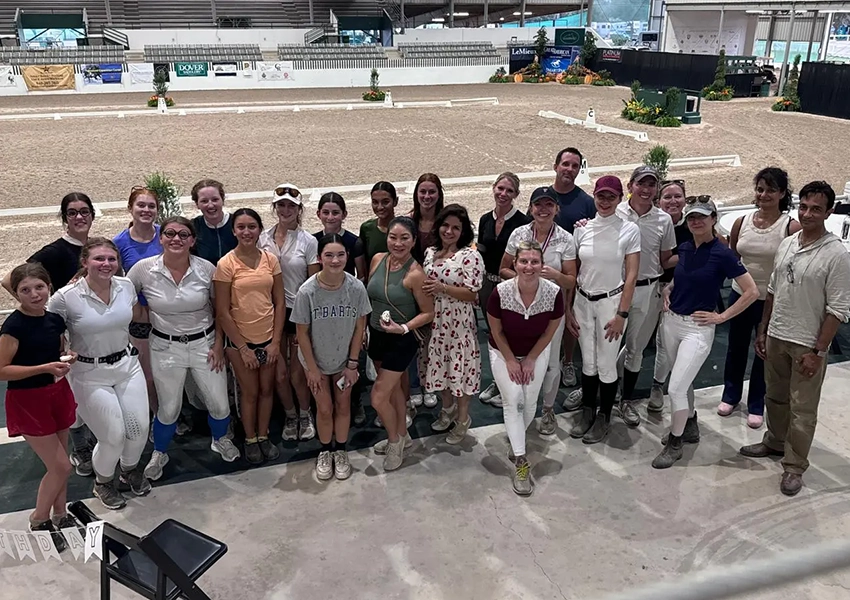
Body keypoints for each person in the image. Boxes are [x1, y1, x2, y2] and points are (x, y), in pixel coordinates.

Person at [742, 181, 850, 495]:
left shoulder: (836, 255)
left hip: (807, 342)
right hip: (777, 334)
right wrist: (763, 329)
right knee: (774, 398)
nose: (808, 214)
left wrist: (818, 350)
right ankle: (774, 442)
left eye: (816, 208)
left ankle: (794, 466)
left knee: (802, 409)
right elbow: (773, 289)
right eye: (803, 207)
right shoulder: (789, 242)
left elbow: (839, 308)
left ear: (830, 211)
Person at [128, 217, 240, 481]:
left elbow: (219, 310)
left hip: (205, 344)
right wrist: (144, 315)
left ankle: (219, 438)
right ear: (161, 238)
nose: (176, 239)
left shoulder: (206, 268)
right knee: (168, 408)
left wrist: (218, 344)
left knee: (220, 404)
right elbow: (121, 294)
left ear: (192, 240)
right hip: (164, 347)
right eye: (170, 233)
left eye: (183, 234)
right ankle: (160, 452)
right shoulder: (143, 270)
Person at [653, 197, 758, 469]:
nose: (696, 222)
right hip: (672, 321)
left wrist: (721, 316)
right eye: (691, 218)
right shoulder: (686, 248)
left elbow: (751, 291)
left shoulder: (722, 253)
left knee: (675, 387)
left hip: (697, 328)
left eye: (702, 217)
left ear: (713, 218)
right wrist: (669, 288)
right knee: (683, 381)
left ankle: (674, 443)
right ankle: (689, 424)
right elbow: (683, 276)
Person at [47, 238, 151, 510]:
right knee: (113, 436)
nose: (106, 264)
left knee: (139, 429)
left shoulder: (126, 286)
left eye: (111, 259)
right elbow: (47, 333)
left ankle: (129, 470)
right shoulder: (65, 297)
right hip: (88, 373)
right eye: (98, 259)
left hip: (127, 367)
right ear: (84, 262)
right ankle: (103, 481)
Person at [1, 192, 96, 478]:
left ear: (92, 214)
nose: (79, 217)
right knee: (71, 387)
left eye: (84, 211)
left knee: (79, 390)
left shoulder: (90, 247)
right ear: (64, 218)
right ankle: (79, 449)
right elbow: (10, 279)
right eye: (72, 213)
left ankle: (83, 441)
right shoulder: (55, 251)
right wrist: (42, 307)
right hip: (59, 330)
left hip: (79, 327)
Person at [0, 264, 80, 550]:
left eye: (39, 287)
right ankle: (39, 518)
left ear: (48, 287)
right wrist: (44, 367)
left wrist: (67, 357)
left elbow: (57, 350)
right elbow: (1, 371)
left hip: (57, 393)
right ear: (17, 294)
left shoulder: (55, 319)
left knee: (59, 463)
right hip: (29, 400)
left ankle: (61, 514)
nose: (34, 295)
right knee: (61, 466)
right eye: (25, 290)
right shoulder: (13, 326)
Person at [720, 167, 801, 429]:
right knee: (736, 347)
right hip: (740, 296)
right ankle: (730, 395)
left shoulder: (790, 227)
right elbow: (734, 258)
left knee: (764, 351)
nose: (764, 194)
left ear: (782, 193)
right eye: (760, 189)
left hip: (771, 299)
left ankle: (757, 402)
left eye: (770, 190)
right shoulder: (740, 222)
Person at [291, 234, 371, 481]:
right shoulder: (307, 291)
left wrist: (352, 363)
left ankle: (341, 450)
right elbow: (301, 334)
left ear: (347, 257)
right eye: (329, 255)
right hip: (315, 361)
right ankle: (325, 450)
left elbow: (360, 326)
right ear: (319, 258)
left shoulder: (356, 288)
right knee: (324, 409)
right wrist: (312, 370)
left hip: (344, 360)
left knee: (343, 405)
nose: (335, 260)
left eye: (340, 255)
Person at [488, 241, 564, 496]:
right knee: (514, 399)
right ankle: (521, 460)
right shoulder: (500, 292)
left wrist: (530, 359)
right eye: (524, 261)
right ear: (515, 264)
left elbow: (549, 333)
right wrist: (511, 360)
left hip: (536, 352)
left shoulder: (554, 293)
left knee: (531, 402)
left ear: (542, 265)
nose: (529, 266)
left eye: (534, 261)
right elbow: (496, 331)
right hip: (502, 351)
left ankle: (515, 437)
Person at [568, 176, 640, 445]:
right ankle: (587, 411)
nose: (605, 201)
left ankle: (604, 415)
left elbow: (631, 275)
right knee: (588, 362)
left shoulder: (629, 230)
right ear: (594, 197)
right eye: (601, 196)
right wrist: (570, 308)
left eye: (611, 197)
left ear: (621, 198)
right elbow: (575, 270)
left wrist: (622, 314)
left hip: (611, 303)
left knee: (607, 364)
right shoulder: (582, 229)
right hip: (583, 301)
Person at [500, 191, 576, 436]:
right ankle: (522, 405)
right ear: (531, 208)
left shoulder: (565, 238)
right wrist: (525, 279)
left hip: (552, 310)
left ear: (556, 209)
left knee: (552, 363)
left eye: (549, 204)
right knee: (523, 359)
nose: (543, 209)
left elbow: (571, 280)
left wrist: (554, 276)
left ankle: (548, 408)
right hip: (520, 310)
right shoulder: (518, 234)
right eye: (538, 204)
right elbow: (502, 268)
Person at [214, 209, 286, 465]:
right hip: (239, 342)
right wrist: (243, 348)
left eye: (252, 227)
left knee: (267, 390)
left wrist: (276, 341)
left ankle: (264, 435)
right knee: (250, 392)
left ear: (259, 230)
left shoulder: (270, 260)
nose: (246, 232)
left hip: (268, 338)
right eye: (241, 227)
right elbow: (222, 311)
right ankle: (250, 438)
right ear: (233, 231)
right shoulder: (226, 264)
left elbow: (279, 302)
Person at [368, 217, 434, 472]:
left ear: (414, 241)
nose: (398, 243)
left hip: (401, 339)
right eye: (393, 237)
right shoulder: (377, 260)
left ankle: (394, 441)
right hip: (376, 335)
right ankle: (402, 434)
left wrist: (403, 328)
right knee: (394, 393)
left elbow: (428, 313)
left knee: (377, 397)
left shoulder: (416, 273)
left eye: (404, 238)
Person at [614, 166, 676, 427]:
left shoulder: (664, 221)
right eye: (641, 183)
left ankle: (626, 400)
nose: (646, 189)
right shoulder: (615, 212)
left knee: (636, 349)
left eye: (651, 185)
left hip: (647, 291)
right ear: (631, 186)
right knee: (605, 346)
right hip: (615, 290)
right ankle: (596, 393)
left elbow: (665, 258)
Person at [258, 184, 319, 442]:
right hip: (269, 314)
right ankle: (291, 414)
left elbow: (313, 284)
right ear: (274, 208)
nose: (285, 210)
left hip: (297, 313)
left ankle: (306, 414)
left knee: (297, 373)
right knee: (279, 373)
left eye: (291, 206)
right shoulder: (262, 239)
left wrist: (307, 321)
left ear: (299, 209)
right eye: (281, 205)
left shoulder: (309, 241)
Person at [530, 147, 595, 388]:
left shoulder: (587, 202)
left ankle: (567, 361)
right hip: (545, 273)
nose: (569, 169)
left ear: (580, 169)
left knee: (570, 319)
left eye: (575, 166)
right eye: (565, 164)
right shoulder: (542, 198)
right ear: (556, 166)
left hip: (575, 273)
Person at [422, 204, 484, 444]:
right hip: (436, 323)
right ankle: (447, 410)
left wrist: (442, 288)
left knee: (460, 370)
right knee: (441, 368)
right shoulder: (430, 252)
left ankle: (462, 419)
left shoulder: (470, 256)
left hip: (458, 324)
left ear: (463, 231)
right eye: (445, 225)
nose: (449, 231)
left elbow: (472, 293)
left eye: (456, 227)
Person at [476, 172, 530, 409]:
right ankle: (499, 381)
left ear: (516, 195)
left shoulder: (523, 223)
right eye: (500, 188)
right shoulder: (485, 219)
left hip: (510, 285)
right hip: (488, 285)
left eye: (509, 190)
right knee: (494, 335)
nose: (503, 194)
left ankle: (511, 384)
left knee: (511, 336)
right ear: (493, 189)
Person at [113, 187, 162, 419]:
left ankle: (174, 412)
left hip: (168, 314)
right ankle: (155, 413)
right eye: (141, 205)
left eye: (151, 206)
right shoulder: (119, 243)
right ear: (130, 208)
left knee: (169, 370)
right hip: (141, 317)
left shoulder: (167, 235)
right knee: (148, 374)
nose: (146, 210)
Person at [648, 180, 691, 413]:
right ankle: (613, 379)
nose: (673, 201)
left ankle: (657, 385)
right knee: (633, 337)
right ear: (658, 200)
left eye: (678, 196)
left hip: (677, 290)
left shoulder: (694, 224)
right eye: (667, 197)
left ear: (685, 199)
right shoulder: (652, 222)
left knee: (664, 342)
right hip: (648, 285)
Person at [409, 173, 445, 411]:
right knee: (412, 339)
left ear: (439, 194)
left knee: (434, 341)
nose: (427, 196)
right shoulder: (408, 220)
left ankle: (430, 383)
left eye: (432, 192)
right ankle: (414, 385)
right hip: (412, 288)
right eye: (423, 192)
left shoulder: (446, 221)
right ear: (416, 194)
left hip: (437, 290)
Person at [313, 192, 367, 281]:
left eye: (335, 213)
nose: (330, 217)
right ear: (319, 214)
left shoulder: (354, 242)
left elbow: (361, 276)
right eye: (326, 213)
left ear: (344, 214)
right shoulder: (313, 240)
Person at [191, 179, 238, 266]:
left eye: (215, 199)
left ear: (222, 200)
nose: (210, 205)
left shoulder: (238, 223)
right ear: (197, 204)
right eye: (204, 201)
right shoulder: (192, 227)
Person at [359, 181, 398, 273]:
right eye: (375, 202)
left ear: (395, 201)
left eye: (385, 202)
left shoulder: (405, 227)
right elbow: (364, 263)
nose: (380, 207)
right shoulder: (367, 228)